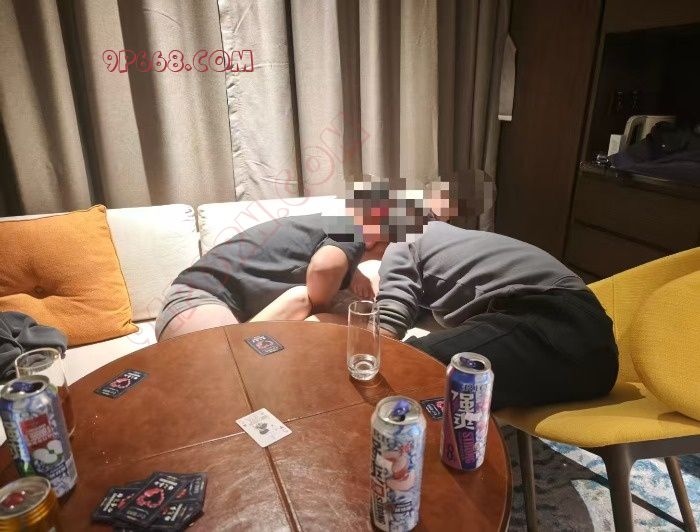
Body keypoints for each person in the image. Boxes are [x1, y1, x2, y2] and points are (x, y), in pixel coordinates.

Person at [375, 221, 619, 410]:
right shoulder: (442, 241)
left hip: (559, 321)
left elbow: (387, 330)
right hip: (596, 360)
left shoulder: (403, 239)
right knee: (449, 398)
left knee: (403, 366)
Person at [156, 211, 388, 341]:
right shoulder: (351, 227)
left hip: (195, 305)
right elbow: (323, 268)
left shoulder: (329, 227)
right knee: (225, 371)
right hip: (197, 300)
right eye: (391, 248)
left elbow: (321, 258)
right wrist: (321, 309)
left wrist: (354, 272)